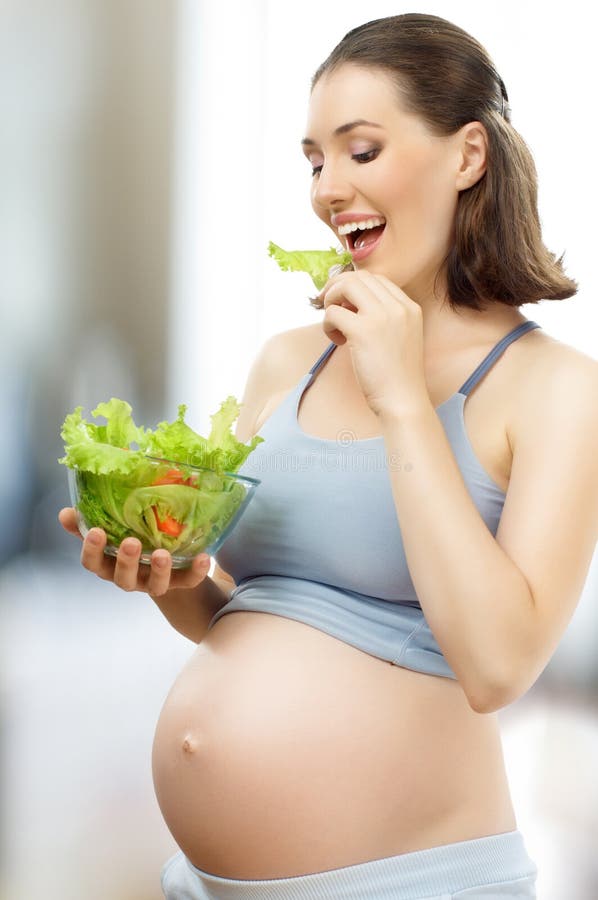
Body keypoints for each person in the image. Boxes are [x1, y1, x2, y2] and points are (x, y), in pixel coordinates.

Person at [59, 12, 598, 900]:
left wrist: (401, 397)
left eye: (362, 151)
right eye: (315, 161)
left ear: (468, 157)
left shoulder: (552, 386)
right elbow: (246, 613)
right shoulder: (287, 358)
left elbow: (498, 666)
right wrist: (173, 575)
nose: (328, 189)